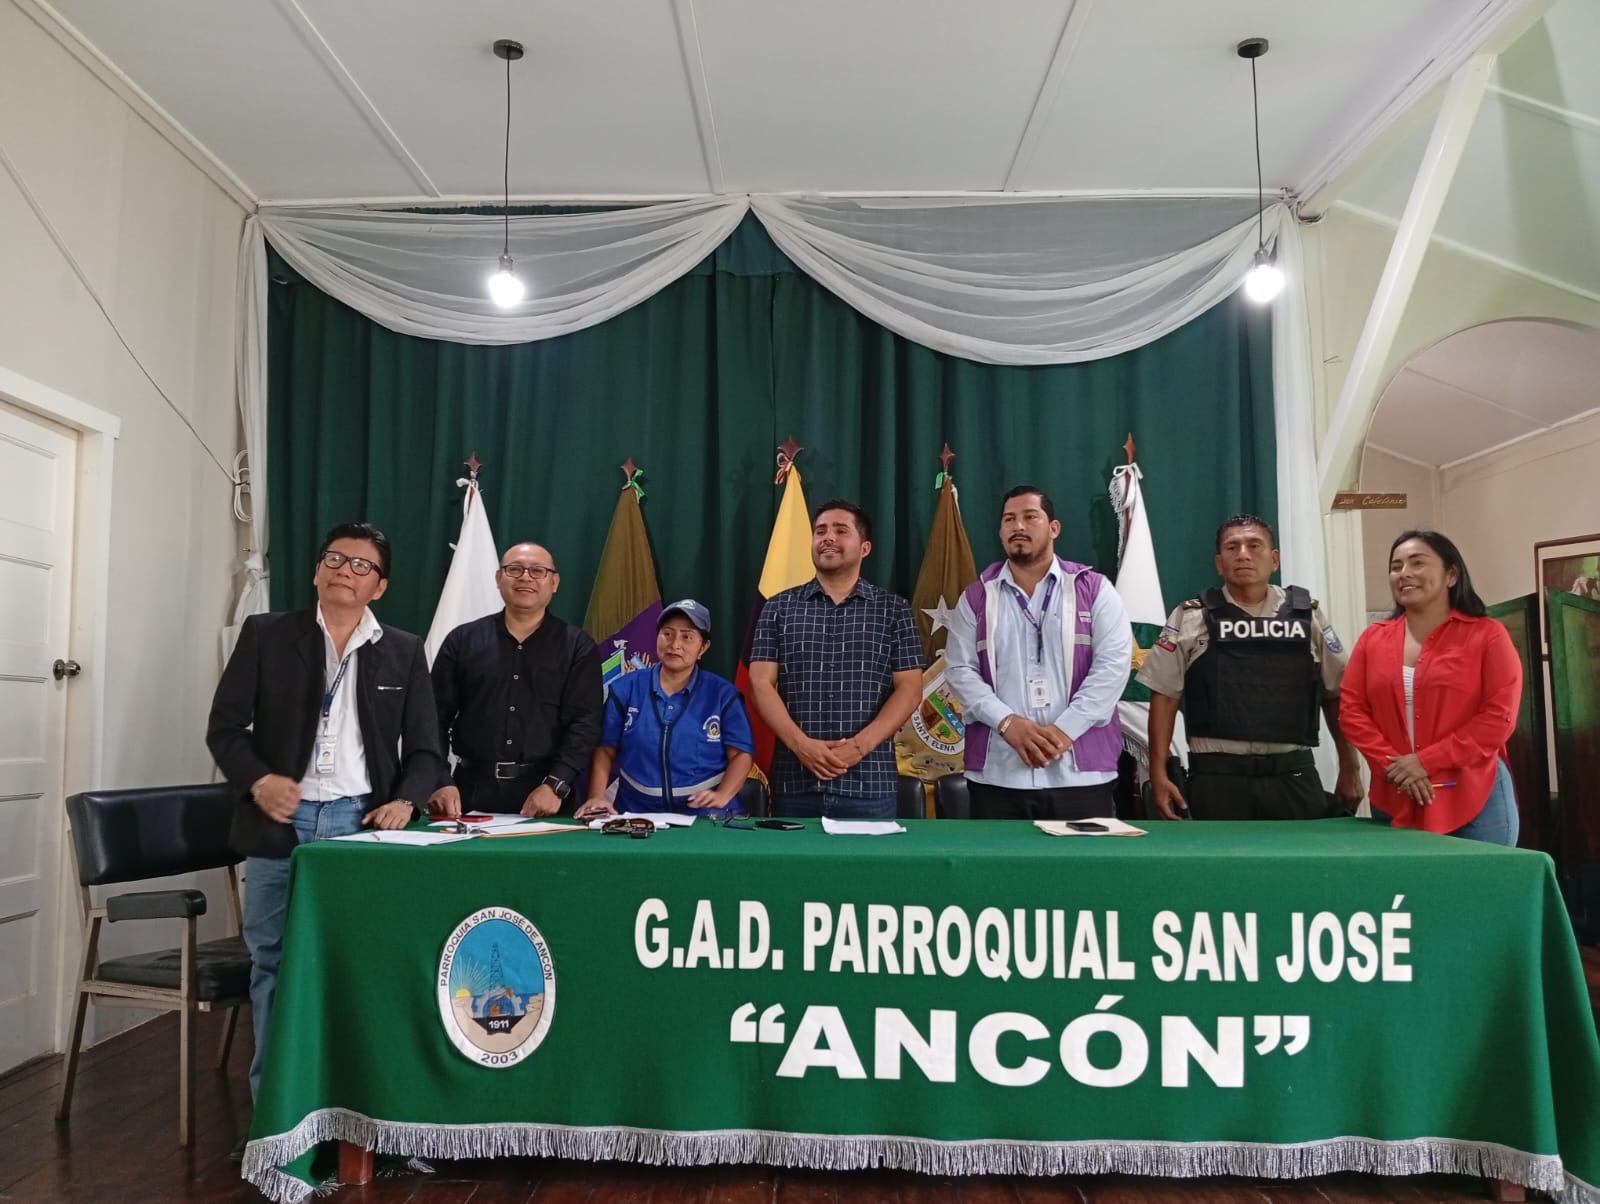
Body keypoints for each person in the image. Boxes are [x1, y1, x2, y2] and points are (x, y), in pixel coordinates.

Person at [207, 521, 441, 1102]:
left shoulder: (403, 650)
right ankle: (276, 1115)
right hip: (278, 823)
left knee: (359, 967)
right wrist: (259, 781)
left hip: (359, 824)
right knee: (274, 964)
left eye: (362, 565)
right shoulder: (267, 635)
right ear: (316, 571)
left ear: (379, 587)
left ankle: (353, 1112)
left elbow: (426, 750)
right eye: (335, 559)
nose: (345, 571)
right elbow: (225, 730)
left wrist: (406, 801)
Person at [1137, 514, 1364, 821]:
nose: (1243, 554)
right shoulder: (1191, 616)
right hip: (1217, 778)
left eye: (1254, 546)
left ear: (1275, 559)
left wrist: (1350, 767)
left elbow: (1336, 694)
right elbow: (1164, 697)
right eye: (1232, 548)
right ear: (1219, 563)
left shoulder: (1307, 616)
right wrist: (1158, 772)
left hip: (1292, 775)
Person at [944, 486, 1132, 821]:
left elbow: (1112, 669)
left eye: (1030, 517)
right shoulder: (975, 598)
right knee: (1000, 858)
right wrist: (1007, 723)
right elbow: (959, 671)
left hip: (1080, 773)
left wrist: (1063, 732)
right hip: (999, 773)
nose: (1018, 526)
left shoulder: (1095, 590)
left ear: (1054, 528)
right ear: (1000, 531)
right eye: (1009, 519)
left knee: (1081, 858)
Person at [1339, 529, 1522, 845]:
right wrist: (1396, 768)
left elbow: (1499, 718)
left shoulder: (1487, 635)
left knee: (1483, 878)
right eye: (1396, 566)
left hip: (1475, 796)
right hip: (1396, 792)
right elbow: (1352, 712)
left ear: (1452, 575)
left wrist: (1425, 761)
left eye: (1417, 563)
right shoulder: (1372, 639)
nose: (1404, 573)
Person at [748, 499, 924, 819]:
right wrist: (802, 746)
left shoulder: (894, 611)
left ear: (865, 548)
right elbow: (760, 683)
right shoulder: (778, 608)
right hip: (795, 782)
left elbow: (910, 689)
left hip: (870, 784)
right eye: (820, 531)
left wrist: (858, 747)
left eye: (841, 530)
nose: (828, 537)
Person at [429, 542, 602, 817]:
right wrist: (439, 779)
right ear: (499, 578)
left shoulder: (578, 646)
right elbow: (433, 718)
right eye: (515, 569)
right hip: (467, 794)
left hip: (546, 796)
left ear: (554, 583)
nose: (525, 577)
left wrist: (556, 785)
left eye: (538, 571)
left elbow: (585, 724)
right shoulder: (462, 641)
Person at [574, 599, 755, 820]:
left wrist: (723, 796)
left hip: (706, 815)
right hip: (637, 812)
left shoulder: (722, 695)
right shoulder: (625, 689)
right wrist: (596, 797)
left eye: (687, 637)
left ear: (703, 647)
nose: (675, 644)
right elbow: (605, 749)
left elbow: (741, 754)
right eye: (667, 634)